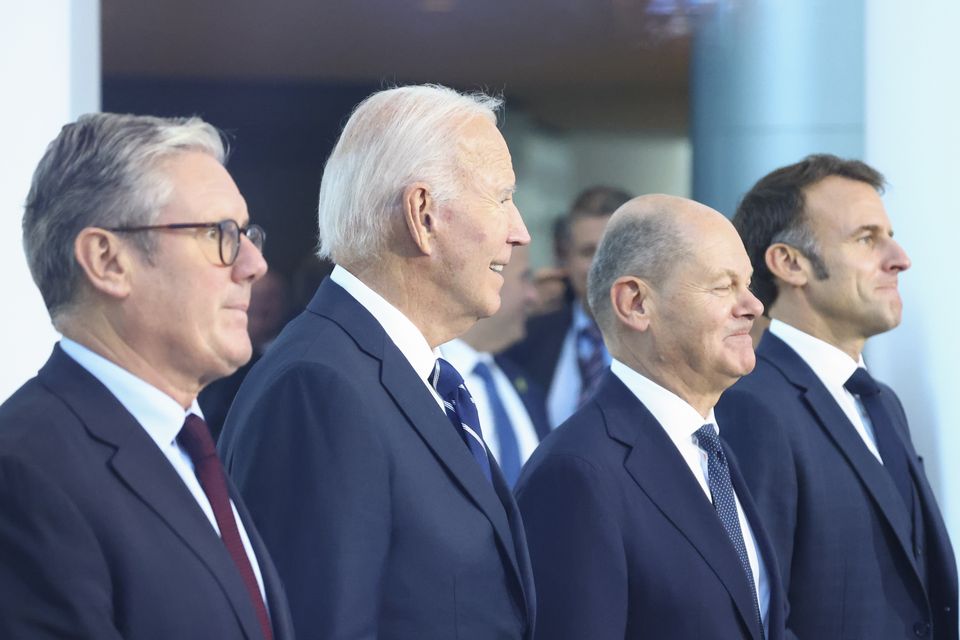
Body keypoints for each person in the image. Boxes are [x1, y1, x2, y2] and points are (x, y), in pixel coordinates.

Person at [219, 84, 536, 639]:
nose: (520, 231)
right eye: (502, 197)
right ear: (423, 216)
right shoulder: (320, 387)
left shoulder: (396, 375)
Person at [0, 113, 293, 639]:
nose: (253, 264)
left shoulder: (191, 447)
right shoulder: (24, 471)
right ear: (108, 261)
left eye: (248, 234)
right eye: (218, 233)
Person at [516, 194, 788, 640]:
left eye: (749, 284)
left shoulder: (712, 449)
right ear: (636, 303)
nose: (754, 306)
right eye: (724, 286)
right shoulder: (576, 474)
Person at [716, 154, 958, 639]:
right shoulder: (751, 406)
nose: (900, 258)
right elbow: (756, 613)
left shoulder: (881, 401)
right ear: (790, 263)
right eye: (867, 238)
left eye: (888, 235)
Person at [506, 185, 631, 428]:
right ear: (565, 259)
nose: (600, 265)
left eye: (611, 251)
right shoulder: (526, 340)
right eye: (587, 252)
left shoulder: (663, 345)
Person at [440, 245, 550, 487]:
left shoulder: (525, 385)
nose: (534, 296)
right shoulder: (425, 380)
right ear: (487, 277)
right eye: (524, 278)